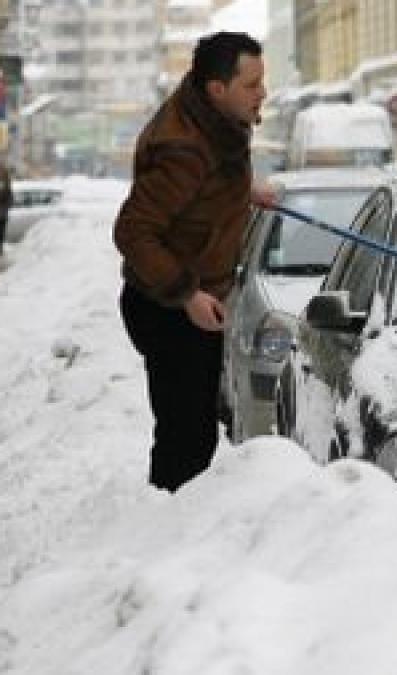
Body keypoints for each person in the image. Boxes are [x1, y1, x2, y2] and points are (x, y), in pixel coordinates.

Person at [113, 32, 275, 492]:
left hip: (188, 303)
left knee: (196, 431)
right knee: (186, 439)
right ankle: (169, 518)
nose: (262, 93)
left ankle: (176, 514)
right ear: (217, 88)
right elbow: (133, 231)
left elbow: (203, 185)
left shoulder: (211, 119)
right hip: (167, 306)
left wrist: (242, 192)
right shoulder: (183, 148)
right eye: (252, 84)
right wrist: (187, 294)